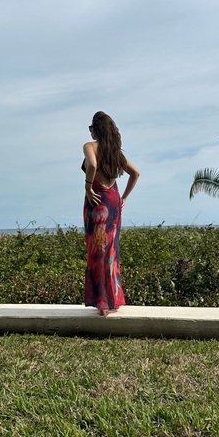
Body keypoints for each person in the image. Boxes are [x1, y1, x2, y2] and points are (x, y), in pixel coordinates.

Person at [82, 111, 140, 317]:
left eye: (91, 128)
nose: (90, 132)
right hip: (113, 200)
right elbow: (135, 173)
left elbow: (92, 164)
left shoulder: (89, 146)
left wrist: (88, 186)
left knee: (97, 251)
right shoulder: (115, 152)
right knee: (111, 252)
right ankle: (112, 300)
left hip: (97, 200)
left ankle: (102, 303)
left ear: (96, 129)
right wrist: (124, 197)